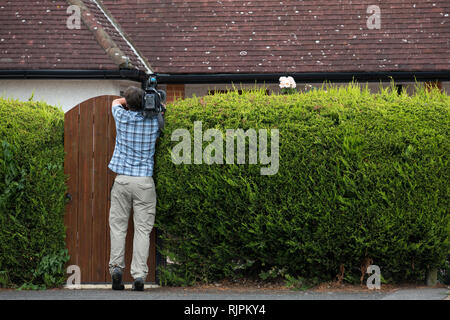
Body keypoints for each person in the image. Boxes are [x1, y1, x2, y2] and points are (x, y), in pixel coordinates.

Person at [107, 86, 160, 291]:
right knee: (142, 231)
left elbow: (115, 103)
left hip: (122, 181)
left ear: (128, 104)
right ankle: (138, 275)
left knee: (118, 228)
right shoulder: (154, 122)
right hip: (144, 182)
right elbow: (161, 108)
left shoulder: (122, 116)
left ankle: (116, 270)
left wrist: (127, 101)